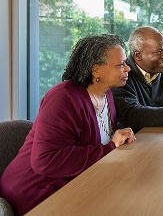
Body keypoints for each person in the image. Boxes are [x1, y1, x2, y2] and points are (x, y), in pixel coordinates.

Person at [0, 34, 136, 215]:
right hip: (37, 191)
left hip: (77, 183)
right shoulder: (63, 98)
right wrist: (110, 147)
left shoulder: (106, 95)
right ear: (96, 70)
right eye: (120, 65)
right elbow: (45, 161)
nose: (128, 68)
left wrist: (115, 139)